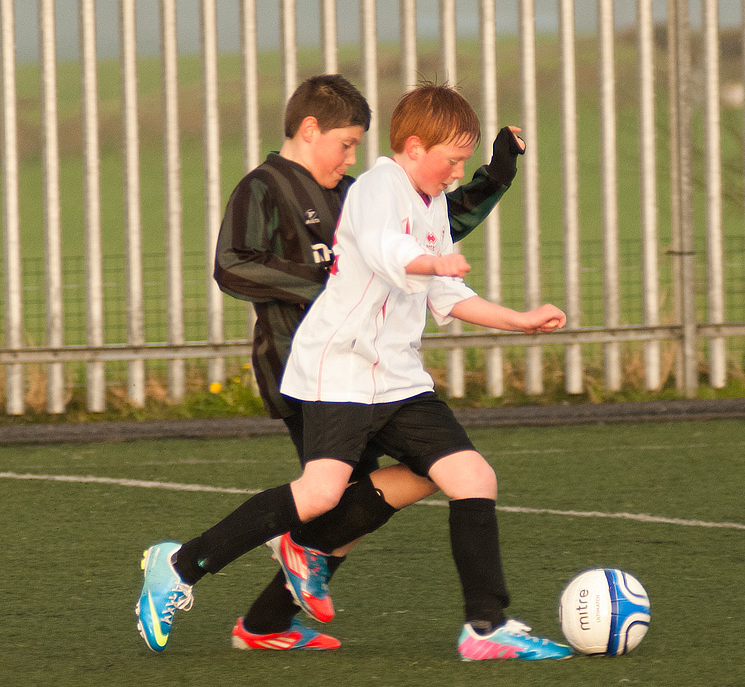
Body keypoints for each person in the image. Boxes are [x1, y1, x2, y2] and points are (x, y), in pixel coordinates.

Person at [136, 74, 526, 653]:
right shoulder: (264, 187)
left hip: (379, 370)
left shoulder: (354, 191)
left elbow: (434, 225)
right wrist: (329, 279)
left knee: (361, 498)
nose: (350, 157)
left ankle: (264, 622)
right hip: (308, 366)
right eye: (345, 144)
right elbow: (232, 265)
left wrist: (495, 177)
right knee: (337, 499)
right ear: (309, 129)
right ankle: (204, 574)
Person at [277, 82, 572, 661]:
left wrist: (518, 320)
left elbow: (446, 293)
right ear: (414, 147)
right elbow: (389, 249)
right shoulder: (374, 188)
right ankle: (196, 565)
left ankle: (485, 629)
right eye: (453, 160)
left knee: (471, 476)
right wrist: (431, 261)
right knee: (323, 496)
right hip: (334, 370)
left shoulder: (432, 200)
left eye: (465, 162)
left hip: (395, 377)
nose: (458, 173)